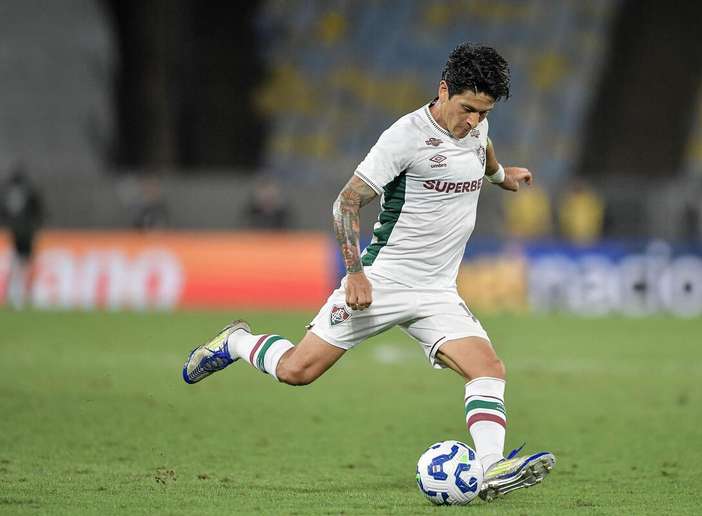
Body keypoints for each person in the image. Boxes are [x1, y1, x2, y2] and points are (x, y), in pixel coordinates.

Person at [182, 43, 555, 501]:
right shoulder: (404, 137)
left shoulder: (476, 128)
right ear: (443, 91)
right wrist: (355, 272)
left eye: (483, 112)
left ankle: (493, 467)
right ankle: (236, 341)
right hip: (382, 281)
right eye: (467, 109)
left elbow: (484, 150)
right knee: (298, 370)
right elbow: (346, 202)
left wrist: (502, 176)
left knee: (488, 367)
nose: (474, 121)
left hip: (437, 290)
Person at [1, 164, 44, 308]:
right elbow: (39, 212)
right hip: (27, 234)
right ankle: (20, 296)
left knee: (17, 266)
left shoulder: (10, 193)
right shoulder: (29, 192)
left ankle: (15, 295)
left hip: (17, 233)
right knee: (23, 266)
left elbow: (5, 212)